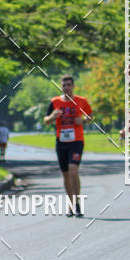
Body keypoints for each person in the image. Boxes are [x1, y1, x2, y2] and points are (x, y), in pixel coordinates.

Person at [43, 75, 92, 217]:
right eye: (64, 85)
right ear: (61, 87)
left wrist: (82, 120)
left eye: (69, 84)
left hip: (76, 141)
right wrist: (52, 116)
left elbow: (90, 116)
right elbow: (46, 120)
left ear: (73, 86)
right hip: (61, 142)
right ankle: (72, 204)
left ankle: (77, 202)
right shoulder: (55, 102)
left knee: (73, 170)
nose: (66, 87)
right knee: (65, 174)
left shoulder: (81, 101)